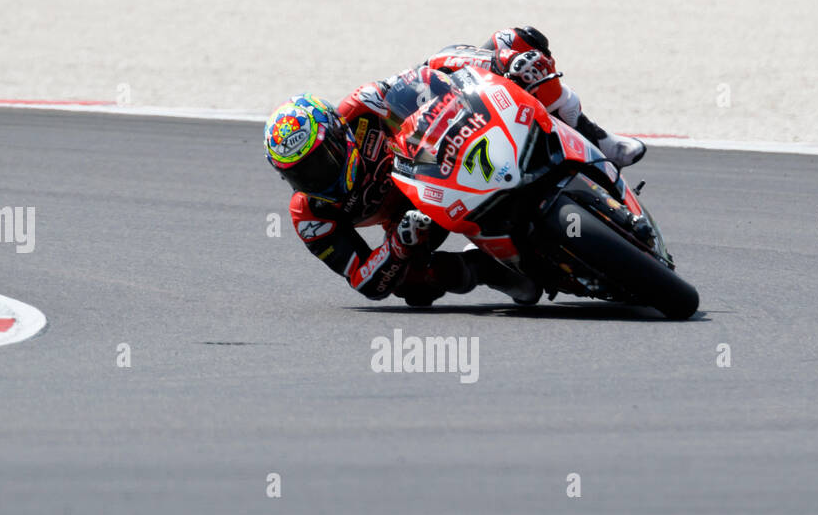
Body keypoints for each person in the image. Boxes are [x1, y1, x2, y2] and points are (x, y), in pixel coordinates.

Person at [264, 26, 646, 307]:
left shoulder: (360, 106)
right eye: (297, 174)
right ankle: (491, 271)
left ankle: (602, 143)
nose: (313, 178)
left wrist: (492, 65)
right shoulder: (309, 215)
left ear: (337, 136)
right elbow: (364, 281)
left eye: (319, 162)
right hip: (415, 217)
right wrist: (398, 245)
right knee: (411, 287)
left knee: (512, 45)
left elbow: (417, 81)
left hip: (439, 158)